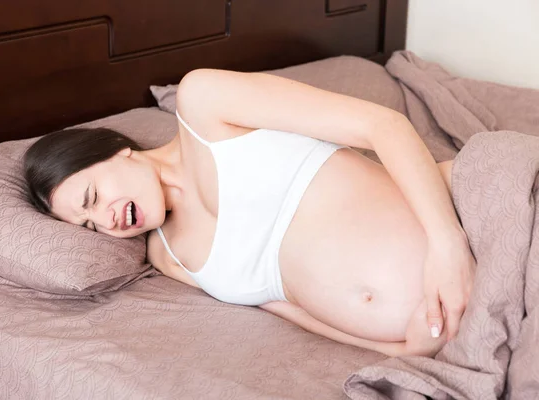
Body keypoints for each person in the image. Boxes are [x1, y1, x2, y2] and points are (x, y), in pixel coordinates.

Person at [24, 69, 476, 357]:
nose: (105, 220)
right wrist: (396, 349)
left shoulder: (204, 103)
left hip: (470, 230)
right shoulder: (166, 257)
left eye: (91, 197)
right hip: (442, 326)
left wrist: (448, 246)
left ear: (115, 150)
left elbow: (383, 125)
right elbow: (286, 306)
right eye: (89, 224)